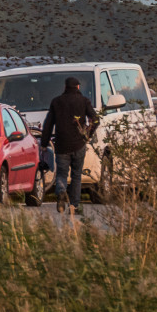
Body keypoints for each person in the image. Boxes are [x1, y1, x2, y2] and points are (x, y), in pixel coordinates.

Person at [38, 74, 99, 215]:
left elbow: (48, 124)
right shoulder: (84, 101)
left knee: (61, 174)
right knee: (76, 176)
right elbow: (95, 119)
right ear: (78, 87)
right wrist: (88, 134)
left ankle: (61, 192)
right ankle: (74, 207)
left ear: (65, 87)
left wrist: (44, 143)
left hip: (62, 145)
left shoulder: (56, 102)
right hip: (79, 144)